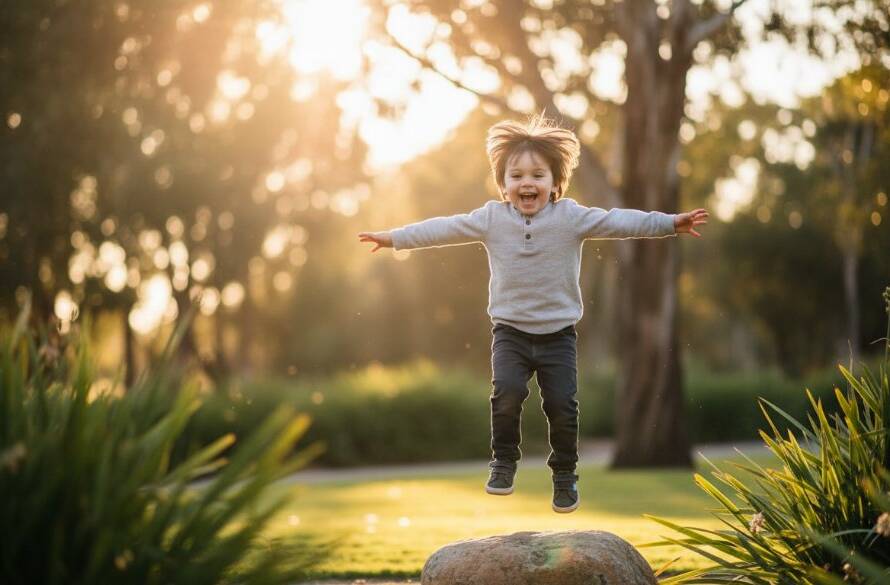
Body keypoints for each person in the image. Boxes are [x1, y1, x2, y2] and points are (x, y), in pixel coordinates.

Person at [358, 115, 708, 513]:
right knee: (506, 392)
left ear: (556, 183)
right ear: (503, 184)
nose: (528, 183)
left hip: (558, 335)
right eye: (517, 175)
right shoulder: (491, 219)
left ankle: (564, 475)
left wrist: (668, 223)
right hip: (509, 332)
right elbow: (444, 229)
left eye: (538, 175)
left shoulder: (571, 217)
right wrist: (394, 238)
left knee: (562, 405)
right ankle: (503, 462)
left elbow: (617, 220)